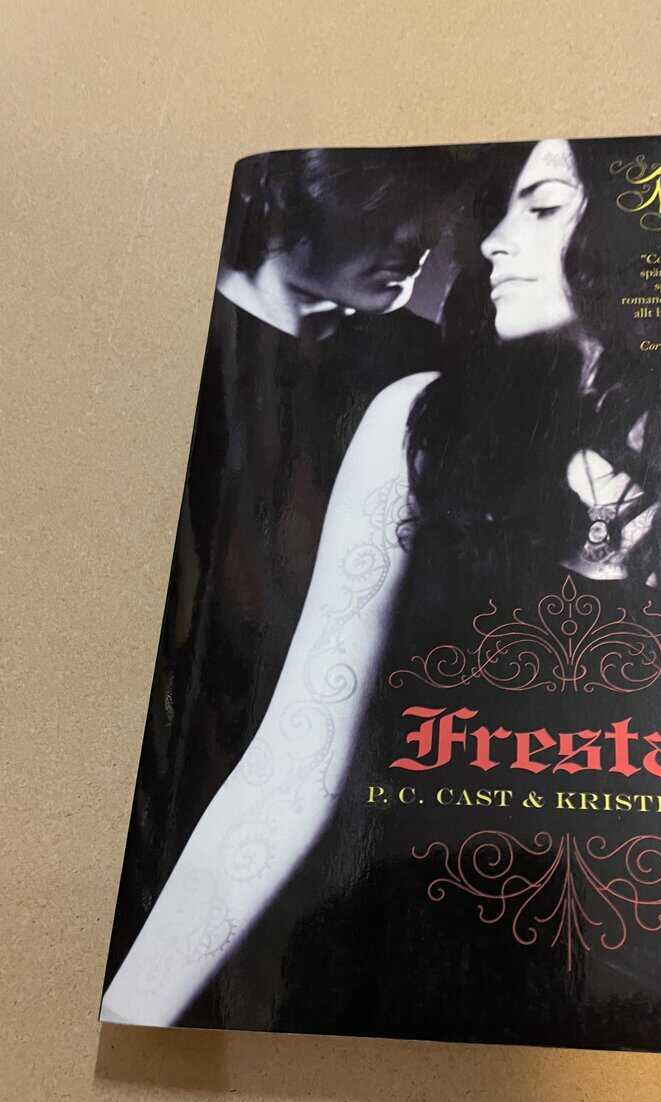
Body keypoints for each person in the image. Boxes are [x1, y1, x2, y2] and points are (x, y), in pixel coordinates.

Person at [100, 139, 661, 1028]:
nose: (492, 242)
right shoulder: (422, 425)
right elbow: (293, 763)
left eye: (542, 208)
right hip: (406, 966)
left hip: (653, 984)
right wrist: (134, 1011)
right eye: (501, 210)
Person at [102, 147, 469, 1000]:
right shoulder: (170, 351)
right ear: (281, 194)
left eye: (432, 216)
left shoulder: (422, 373)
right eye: (389, 208)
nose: (419, 242)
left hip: (364, 777)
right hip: (180, 765)